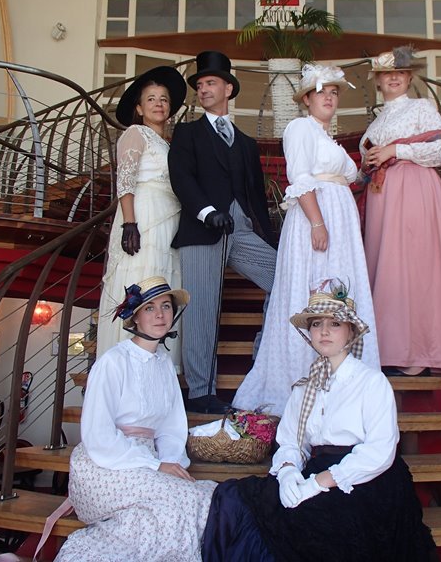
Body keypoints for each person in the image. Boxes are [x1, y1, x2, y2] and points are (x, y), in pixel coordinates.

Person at [203, 289, 438, 562]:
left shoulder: (372, 382)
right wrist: (288, 472)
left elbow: (379, 451)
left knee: (316, 522)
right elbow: (292, 442)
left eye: (334, 323)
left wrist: (317, 483)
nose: (324, 331)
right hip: (317, 466)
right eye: (317, 324)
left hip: (365, 478)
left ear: (350, 332)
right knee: (234, 497)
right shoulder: (305, 387)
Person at [233, 64, 379, 416]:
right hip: (317, 218)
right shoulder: (300, 128)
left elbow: (346, 178)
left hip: (339, 224)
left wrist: (366, 167)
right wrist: (317, 222)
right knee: (312, 289)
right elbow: (299, 177)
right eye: (321, 92)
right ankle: (302, 379)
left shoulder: (328, 139)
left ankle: (343, 382)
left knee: (339, 292)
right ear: (307, 99)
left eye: (334, 92)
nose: (328, 97)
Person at [55, 276, 216, 562]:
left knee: (199, 499)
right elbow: (98, 435)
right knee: (187, 499)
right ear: (136, 317)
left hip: (147, 461)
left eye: (166, 307)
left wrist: (171, 462)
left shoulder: (165, 364)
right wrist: (155, 465)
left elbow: (171, 428)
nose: (160, 315)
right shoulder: (113, 361)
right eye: (149, 308)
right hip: (104, 465)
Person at [168, 50, 277, 414]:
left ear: (228, 89)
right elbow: (181, 178)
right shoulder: (187, 133)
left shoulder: (245, 143)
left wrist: (270, 238)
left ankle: (265, 354)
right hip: (202, 230)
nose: (203, 89)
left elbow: (256, 196)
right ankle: (201, 392)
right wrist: (207, 212)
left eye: (210, 83)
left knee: (284, 278)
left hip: (240, 229)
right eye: (199, 85)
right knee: (200, 311)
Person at [360, 45, 441, 376]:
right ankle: (391, 349)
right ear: (377, 81)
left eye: (400, 72)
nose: (393, 78)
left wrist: (396, 150)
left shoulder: (422, 107)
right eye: (386, 74)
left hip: (414, 190)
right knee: (388, 270)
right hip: (382, 196)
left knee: (415, 267)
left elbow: (440, 152)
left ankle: (420, 353)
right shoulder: (377, 121)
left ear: (409, 77)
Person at [96, 66, 187, 362]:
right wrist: (130, 223)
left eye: (164, 99)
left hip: (169, 220)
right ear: (139, 108)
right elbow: (126, 180)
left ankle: (160, 361)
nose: (158, 104)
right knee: (142, 277)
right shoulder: (135, 134)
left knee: (163, 284)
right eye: (151, 99)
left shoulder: (168, 144)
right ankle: (127, 359)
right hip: (145, 216)